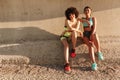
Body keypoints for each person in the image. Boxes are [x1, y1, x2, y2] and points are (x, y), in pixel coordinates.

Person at [79, 6, 104, 71]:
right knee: (90, 46)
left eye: (88, 10)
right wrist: (85, 21)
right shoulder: (83, 18)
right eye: (85, 10)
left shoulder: (93, 18)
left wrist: (92, 34)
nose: (87, 11)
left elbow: (95, 28)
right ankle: (94, 63)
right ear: (84, 12)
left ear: (90, 11)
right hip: (86, 34)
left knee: (95, 35)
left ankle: (98, 51)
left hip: (92, 32)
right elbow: (77, 19)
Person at [60, 7, 82, 73]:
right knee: (66, 46)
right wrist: (79, 31)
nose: (71, 16)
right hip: (64, 36)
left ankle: (73, 49)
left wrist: (77, 30)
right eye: (69, 15)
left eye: (72, 14)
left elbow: (75, 29)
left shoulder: (78, 21)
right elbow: (70, 28)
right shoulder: (67, 20)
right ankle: (67, 63)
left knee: (74, 32)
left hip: (71, 35)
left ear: (75, 14)